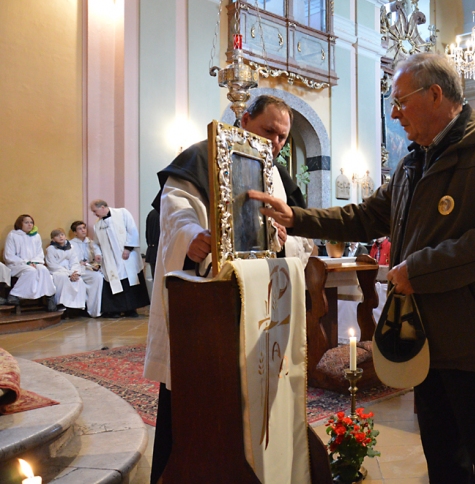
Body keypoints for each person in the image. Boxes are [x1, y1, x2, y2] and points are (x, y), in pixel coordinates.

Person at [251, 52, 475, 483]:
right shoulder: (411, 164)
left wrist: (418, 270)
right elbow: (363, 217)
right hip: (426, 339)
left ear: (436, 94)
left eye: (401, 100)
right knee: (444, 460)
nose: (394, 112)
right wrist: (296, 216)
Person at [144, 94, 312, 484]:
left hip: (261, 307)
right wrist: (193, 236)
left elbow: (299, 236)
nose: (275, 143)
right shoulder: (201, 157)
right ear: (245, 118)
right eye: (269, 130)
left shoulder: (277, 176)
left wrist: (286, 240)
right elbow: (175, 214)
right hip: (208, 307)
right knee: (200, 398)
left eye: (283, 137)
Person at [90, 199, 150, 318]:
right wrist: (97, 253)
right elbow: (95, 242)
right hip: (110, 259)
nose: (94, 214)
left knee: (130, 281)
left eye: (95, 211)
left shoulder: (122, 213)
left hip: (126, 256)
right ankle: (116, 309)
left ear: (102, 207)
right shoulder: (98, 224)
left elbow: (132, 231)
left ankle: (131, 309)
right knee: (114, 282)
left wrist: (128, 248)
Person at [3, 214, 57, 311]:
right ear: (20, 224)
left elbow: (39, 253)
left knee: (44, 270)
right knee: (30, 271)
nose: (29, 225)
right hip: (16, 264)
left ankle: (50, 297)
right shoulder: (13, 235)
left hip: (34, 263)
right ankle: (13, 296)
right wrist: (27, 262)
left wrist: (34, 262)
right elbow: (9, 255)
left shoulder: (36, 236)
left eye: (31, 222)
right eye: (26, 222)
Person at [46, 228, 87, 312]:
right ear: (53, 239)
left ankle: (77, 306)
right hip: (58, 271)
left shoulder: (71, 247)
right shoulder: (51, 249)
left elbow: (74, 262)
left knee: (79, 281)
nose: (61, 237)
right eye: (57, 236)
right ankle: (62, 304)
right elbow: (52, 264)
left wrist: (75, 273)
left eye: (62, 235)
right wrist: (69, 274)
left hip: (70, 271)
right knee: (63, 278)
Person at [70, 221, 104, 317]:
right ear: (75, 232)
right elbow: (70, 259)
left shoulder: (91, 243)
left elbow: (97, 256)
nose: (83, 230)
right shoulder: (71, 244)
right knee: (90, 278)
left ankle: (95, 310)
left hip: (89, 268)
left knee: (99, 276)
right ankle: (85, 308)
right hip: (78, 269)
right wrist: (79, 263)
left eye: (84, 228)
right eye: (80, 229)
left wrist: (97, 261)